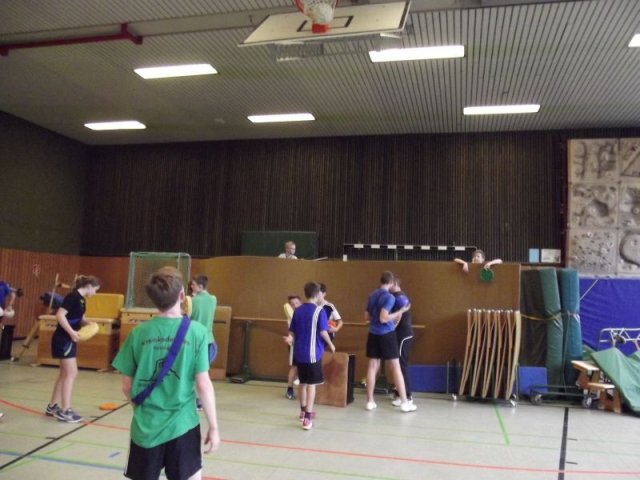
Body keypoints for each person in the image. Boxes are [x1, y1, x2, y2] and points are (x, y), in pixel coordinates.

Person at [113, 267, 220, 480]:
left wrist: (141, 410)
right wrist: (214, 427)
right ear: (182, 296)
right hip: (183, 425)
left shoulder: (138, 333)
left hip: (145, 427)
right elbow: (203, 385)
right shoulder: (198, 332)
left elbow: (127, 386)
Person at [46, 275, 101, 423]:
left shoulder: (82, 300)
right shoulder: (72, 297)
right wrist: (71, 332)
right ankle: (66, 411)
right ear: (89, 286)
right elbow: (60, 315)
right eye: (95, 290)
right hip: (63, 339)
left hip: (69, 339)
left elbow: (79, 319)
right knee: (72, 373)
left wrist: (89, 325)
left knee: (64, 373)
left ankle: (52, 406)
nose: (95, 293)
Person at [284, 282, 335, 430]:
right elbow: (323, 332)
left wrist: (290, 338)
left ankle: (302, 411)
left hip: (299, 353)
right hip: (313, 354)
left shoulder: (298, 311)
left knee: (302, 383)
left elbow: (292, 332)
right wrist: (330, 344)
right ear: (318, 294)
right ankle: (307, 417)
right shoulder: (319, 311)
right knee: (311, 385)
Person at [364, 271, 416, 413]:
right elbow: (383, 318)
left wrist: (378, 319)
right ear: (392, 282)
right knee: (396, 367)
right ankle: (405, 402)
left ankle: (370, 401)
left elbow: (366, 317)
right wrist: (400, 312)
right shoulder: (389, 297)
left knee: (372, 367)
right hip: (386, 334)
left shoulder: (372, 295)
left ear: (380, 281)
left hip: (373, 334)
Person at [189, 275, 218, 410]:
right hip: (209, 340)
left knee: (192, 372)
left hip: (195, 341)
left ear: (200, 287)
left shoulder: (192, 301)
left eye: (193, 284)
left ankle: (194, 399)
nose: (191, 286)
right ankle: (202, 400)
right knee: (203, 372)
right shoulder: (213, 299)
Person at [389, 276, 414, 406]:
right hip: (400, 335)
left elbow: (398, 317)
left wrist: (390, 328)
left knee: (400, 364)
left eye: (389, 284)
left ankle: (407, 396)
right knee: (396, 364)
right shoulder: (395, 296)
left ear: (394, 283)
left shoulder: (399, 297)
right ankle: (399, 393)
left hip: (403, 335)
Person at [284, 295, 302, 400]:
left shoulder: (303, 314)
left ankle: (303, 390)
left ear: (301, 303)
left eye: (297, 303)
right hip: (294, 344)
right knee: (294, 366)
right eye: (292, 304)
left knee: (303, 367)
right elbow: (292, 332)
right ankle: (289, 390)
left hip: (304, 345)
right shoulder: (291, 317)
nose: (295, 305)